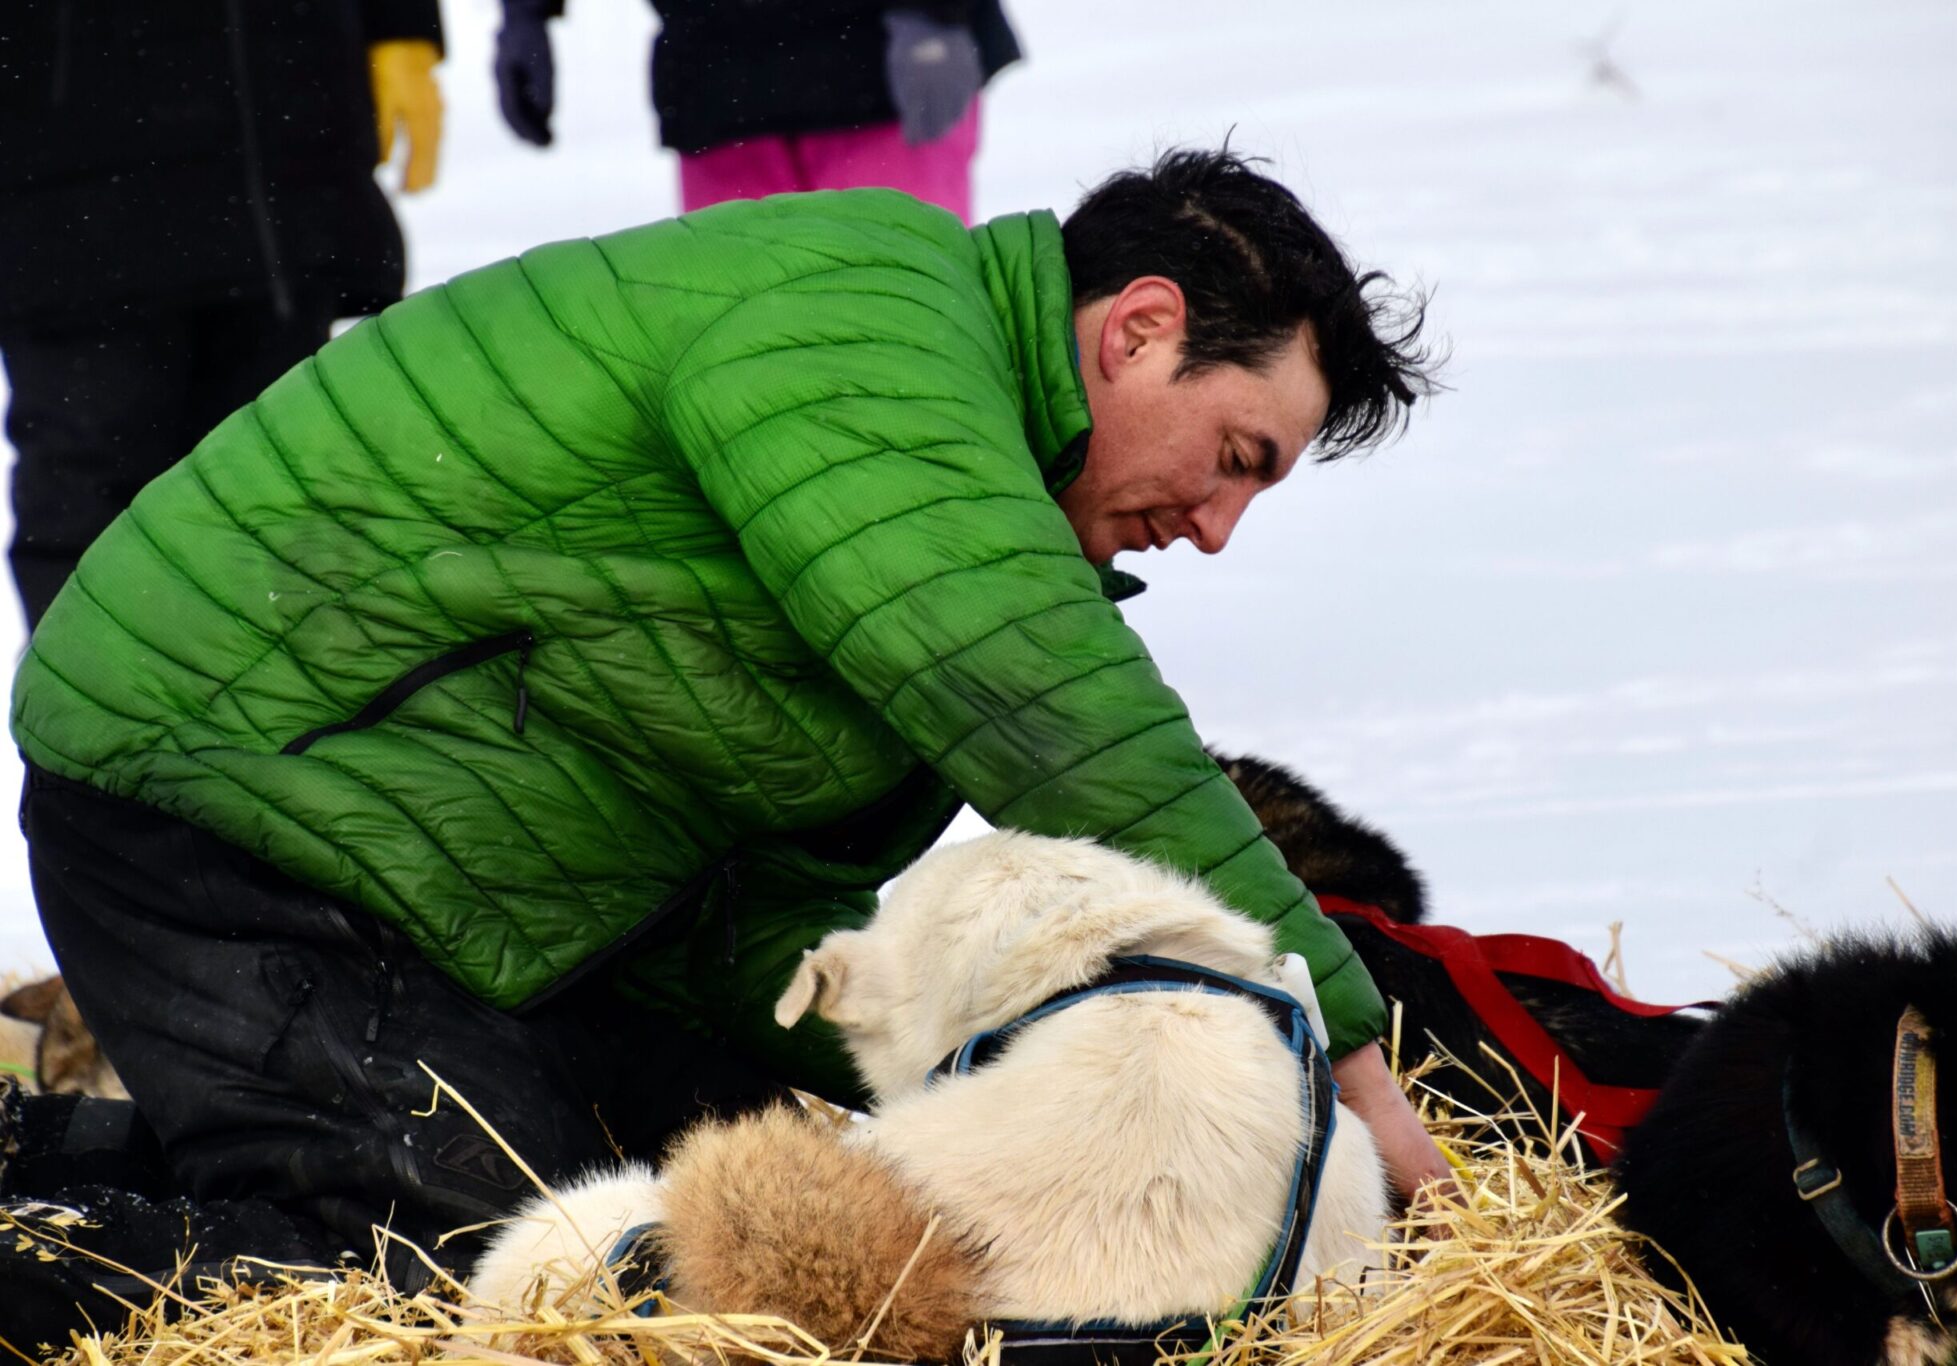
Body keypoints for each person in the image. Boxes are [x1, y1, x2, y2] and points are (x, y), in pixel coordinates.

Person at [1, 150, 1443, 1345]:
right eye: (1237, 454)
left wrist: (937, 1093)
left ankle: (47, 1152)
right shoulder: (876, 334)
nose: (1215, 524)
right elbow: (1050, 710)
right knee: (487, 1293)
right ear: (1136, 329)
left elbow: (746, 900)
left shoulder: (957, 446)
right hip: (229, 795)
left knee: (702, 1241)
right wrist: (1349, 1056)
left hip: (446, 873)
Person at [0, 0, 446, 632]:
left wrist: (400, 29)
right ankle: (103, 722)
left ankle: (285, 723)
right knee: (96, 486)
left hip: (279, 142)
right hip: (67, 167)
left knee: (281, 488)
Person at [492, 0, 1018, 219]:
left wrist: (936, 14)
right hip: (717, 82)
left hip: (882, 71)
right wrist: (525, 16)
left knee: (905, 314)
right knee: (749, 330)